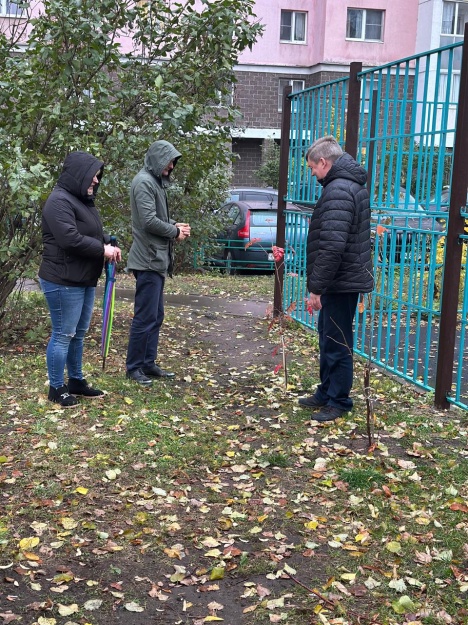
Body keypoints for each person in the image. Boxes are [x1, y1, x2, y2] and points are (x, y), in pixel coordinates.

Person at [39, 151, 122, 408]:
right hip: (62, 279)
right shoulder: (58, 201)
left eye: (97, 177)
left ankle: (75, 381)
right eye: (93, 177)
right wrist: (102, 250)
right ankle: (56, 387)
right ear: (79, 175)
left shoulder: (81, 201)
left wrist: (106, 239)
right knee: (64, 333)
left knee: (79, 333)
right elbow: (69, 239)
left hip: (83, 278)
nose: (96, 181)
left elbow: (90, 231)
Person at [300, 135, 373, 422]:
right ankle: (327, 390)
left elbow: (332, 245)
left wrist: (316, 288)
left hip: (340, 281)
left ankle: (338, 400)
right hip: (343, 278)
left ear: (323, 162)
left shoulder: (339, 190)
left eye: (313, 168)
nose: (313, 174)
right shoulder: (346, 185)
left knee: (337, 341)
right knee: (328, 337)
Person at [125, 140, 191, 385]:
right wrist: (174, 233)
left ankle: (148, 363)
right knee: (145, 317)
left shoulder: (154, 182)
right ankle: (134, 368)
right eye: (169, 161)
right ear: (157, 159)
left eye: (173, 161)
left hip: (156, 259)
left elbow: (158, 217)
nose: (172, 166)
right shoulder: (143, 183)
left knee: (156, 315)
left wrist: (175, 225)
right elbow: (148, 222)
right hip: (148, 260)